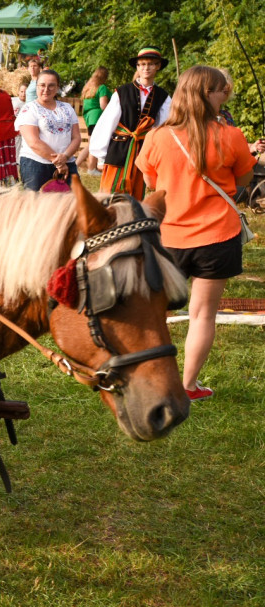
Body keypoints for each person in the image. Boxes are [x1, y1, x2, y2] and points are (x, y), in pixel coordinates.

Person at [134, 66, 256, 401]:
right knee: (204, 314)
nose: (225, 95)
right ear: (206, 94)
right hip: (218, 236)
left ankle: (152, 381)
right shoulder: (231, 136)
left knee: (156, 313)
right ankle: (188, 386)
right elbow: (244, 180)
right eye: (221, 90)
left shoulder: (158, 137)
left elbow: (150, 182)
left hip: (169, 236)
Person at [90, 46, 171, 197]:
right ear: (137, 67)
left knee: (136, 197)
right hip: (119, 150)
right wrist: (101, 156)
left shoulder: (163, 97)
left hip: (143, 150)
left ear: (158, 66)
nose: (146, 68)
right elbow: (107, 123)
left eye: (151, 64)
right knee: (111, 194)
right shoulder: (122, 92)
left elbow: (164, 127)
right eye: (142, 64)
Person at [14, 68, 80, 191]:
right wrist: (59, 162)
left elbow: (76, 137)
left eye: (51, 86)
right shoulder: (29, 109)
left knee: (72, 203)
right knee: (38, 205)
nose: (46, 89)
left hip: (67, 162)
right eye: (42, 85)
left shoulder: (67, 108)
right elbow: (33, 142)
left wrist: (64, 157)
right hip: (37, 164)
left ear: (57, 87)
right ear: (36, 86)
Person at [76, 66, 110, 173]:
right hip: (98, 118)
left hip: (89, 119)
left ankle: (77, 165)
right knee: (93, 144)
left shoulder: (88, 87)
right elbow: (103, 105)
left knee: (91, 144)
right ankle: (91, 168)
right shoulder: (102, 87)